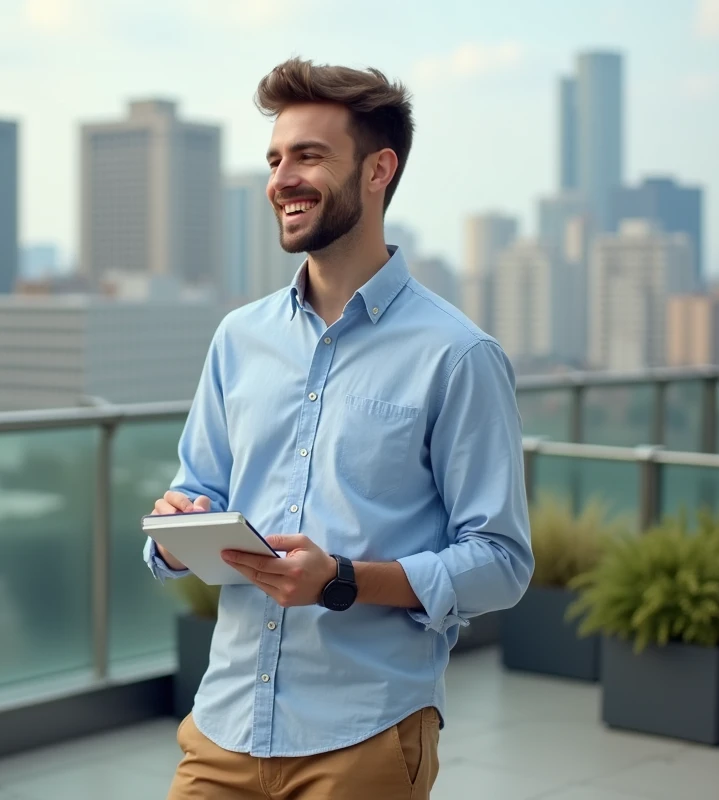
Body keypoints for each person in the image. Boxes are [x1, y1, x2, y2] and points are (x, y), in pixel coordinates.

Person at [144, 57, 533, 799]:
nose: (281, 179)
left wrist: (344, 582)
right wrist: (176, 526)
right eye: (275, 159)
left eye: (309, 156)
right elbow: (197, 487)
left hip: (364, 738)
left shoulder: (458, 355)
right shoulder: (238, 338)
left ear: (379, 170)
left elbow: (502, 561)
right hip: (221, 729)